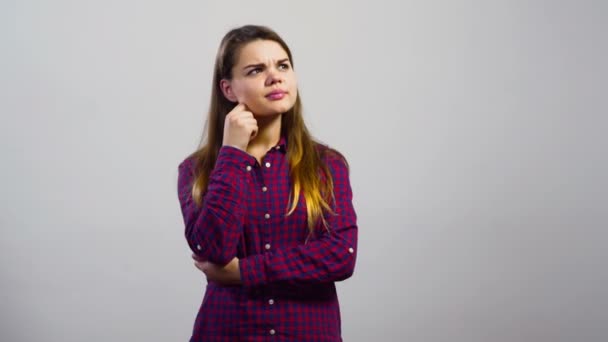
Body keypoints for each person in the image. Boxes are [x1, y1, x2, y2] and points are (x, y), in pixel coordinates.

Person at [177, 24, 358, 341]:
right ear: (229, 89)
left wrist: (245, 272)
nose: (275, 77)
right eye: (255, 70)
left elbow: (340, 255)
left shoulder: (326, 165)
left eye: (282, 65)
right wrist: (233, 153)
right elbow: (212, 249)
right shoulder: (197, 169)